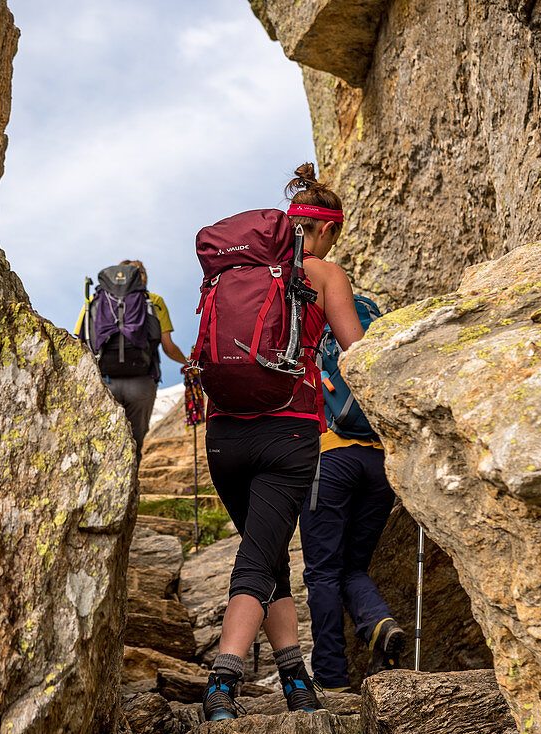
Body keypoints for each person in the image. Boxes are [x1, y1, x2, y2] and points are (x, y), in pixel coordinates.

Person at [200, 164, 365, 721]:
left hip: (224, 432)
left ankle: (295, 677)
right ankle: (223, 680)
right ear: (323, 231)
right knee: (256, 561)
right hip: (288, 430)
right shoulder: (325, 274)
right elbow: (357, 353)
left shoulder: (232, 271)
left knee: (268, 556)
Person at [298, 322, 406, 692]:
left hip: (329, 458)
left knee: (322, 571)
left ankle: (331, 678)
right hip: (379, 465)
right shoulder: (378, 338)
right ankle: (379, 623)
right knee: (353, 566)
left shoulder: (312, 338)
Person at [74, 260, 186, 458]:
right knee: (135, 444)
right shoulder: (154, 300)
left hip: (104, 382)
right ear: (141, 278)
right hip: (141, 383)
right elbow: (168, 347)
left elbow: (81, 344)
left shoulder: (95, 300)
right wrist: (189, 362)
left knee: (102, 442)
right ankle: (130, 487)